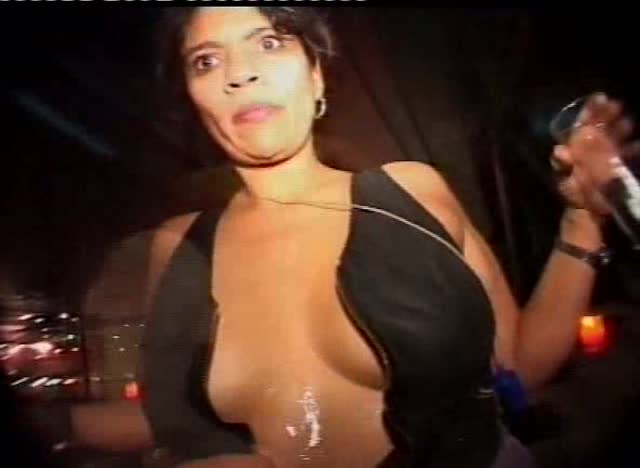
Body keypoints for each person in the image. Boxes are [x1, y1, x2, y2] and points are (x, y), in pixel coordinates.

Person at [42, 7, 634, 468]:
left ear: (316, 74)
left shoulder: (411, 196)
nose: (239, 73)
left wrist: (581, 218)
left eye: (269, 43)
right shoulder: (178, 248)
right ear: (195, 101)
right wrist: (48, 428)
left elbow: (521, 366)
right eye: (206, 60)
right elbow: (167, 416)